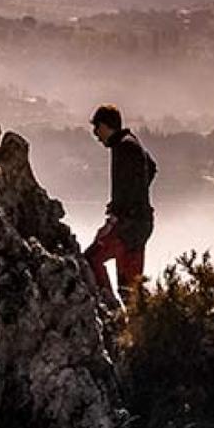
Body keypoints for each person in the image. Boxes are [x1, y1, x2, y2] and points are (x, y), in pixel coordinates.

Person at [84, 103, 156, 305]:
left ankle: (109, 308)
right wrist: (139, 197)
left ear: (105, 126)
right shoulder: (131, 143)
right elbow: (151, 167)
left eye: (96, 128)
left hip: (127, 225)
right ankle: (146, 324)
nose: (96, 135)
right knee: (130, 288)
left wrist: (117, 213)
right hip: (140, 224)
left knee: (92, 259)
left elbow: (136, 179)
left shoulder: (124, 147)